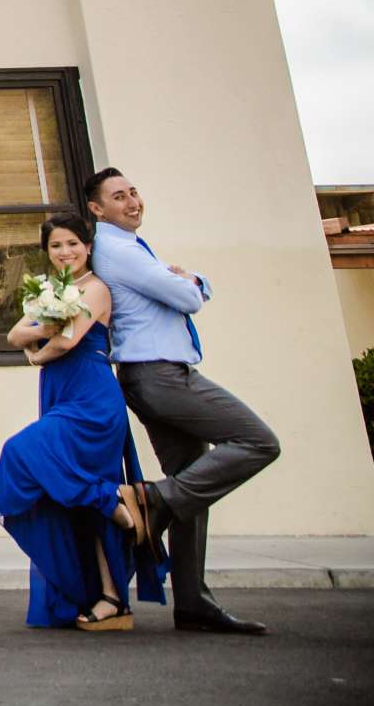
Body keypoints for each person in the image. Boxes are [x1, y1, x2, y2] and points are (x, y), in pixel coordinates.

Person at [86, 167, 281, 635]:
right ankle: (153, 501)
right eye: (118, 197)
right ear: (97, 209)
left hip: (151, 375)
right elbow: (186, 297)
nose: (132, 202)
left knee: (194, 483)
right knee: (258, 441)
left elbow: (180, 292)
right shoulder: (118, 249)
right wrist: (195, 280)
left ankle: (193, 602)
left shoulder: (128, 248)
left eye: (134, 192)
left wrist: (189, 282)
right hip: (161, 377)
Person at [0, 211, 165, 630]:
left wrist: (37, 351)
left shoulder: (97, 289)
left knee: (22, 451)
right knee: (75, 505)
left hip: (91, 398)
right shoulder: (53, 290)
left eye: (72, 243)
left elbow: (66, 342)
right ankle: (109, 600)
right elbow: (13, 333)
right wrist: (40, 336)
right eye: (55, 246)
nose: (65, 252)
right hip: (60, 393)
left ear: (88, 246)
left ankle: (116, 504)